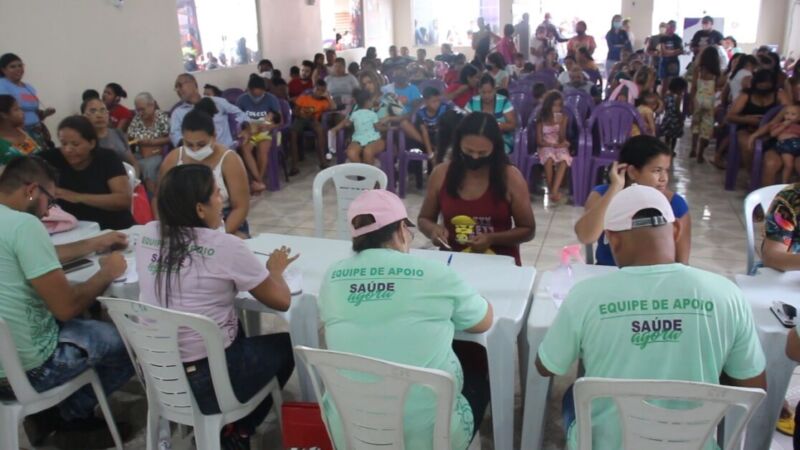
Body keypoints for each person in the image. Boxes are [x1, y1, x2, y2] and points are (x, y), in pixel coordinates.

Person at [540, 183, 766, 450]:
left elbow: (546, 367)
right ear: (677, 229)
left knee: (571, 397)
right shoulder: (727, 294)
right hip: (694, 445)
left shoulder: (585, 296)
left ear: (612, 238)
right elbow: (753, 384)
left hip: (608, 445)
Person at [319, 188, 493, 450]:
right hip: (430, 439)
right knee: (479, 371)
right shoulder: (434, 272)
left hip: (351, 432)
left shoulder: (332, 276)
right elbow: (483, 321)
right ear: (402, 230)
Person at [137, 163, 295, 449]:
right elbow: (281, 301)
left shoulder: (148, 234)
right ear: (200, 209)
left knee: (233, 326)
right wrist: (275, 270)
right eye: (216, 192)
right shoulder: (227, 248)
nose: (222, 196)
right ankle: (238, 431)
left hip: (160, 375)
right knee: (286, 346)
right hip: (209, 383)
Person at [0, 156, 135, 448]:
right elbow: (66, 306)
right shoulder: (24, 225)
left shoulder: (8, 224)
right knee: (126, 343)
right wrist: (107, 272)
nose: (50, 210)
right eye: (50, 200)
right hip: (27, 373)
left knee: (76, 325)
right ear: (32, 190)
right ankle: (65, 418)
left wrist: (94, 242)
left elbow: (36, 254)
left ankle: (50, 416)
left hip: (3, 364)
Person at [418, 113, 535, 265]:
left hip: (500, 263)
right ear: (458, 144)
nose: (474, 157)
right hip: (453, 261)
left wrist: (492, 238)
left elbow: (527, 229)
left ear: (495, 148)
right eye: (468, 151)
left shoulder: (510, 177)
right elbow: (424, 219)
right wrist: (433, 230)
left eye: (482, 153)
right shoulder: (441, 174)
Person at [575, 135, 691, 266]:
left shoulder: (675, 205)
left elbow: (682, 264)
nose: (664, 178)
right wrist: (615, 188)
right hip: (610, 276)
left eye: (666, 171)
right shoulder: (602, 195)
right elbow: (586, 236)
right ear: (632, 172)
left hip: (654, 280)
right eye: (657, 171)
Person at [159, 99, 251, 238]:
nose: (195, 149)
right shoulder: (173, 158)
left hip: (224, 221)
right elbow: (160, 199)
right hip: (183, 223)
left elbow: (241, 207)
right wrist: (165, 228)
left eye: (201, 144)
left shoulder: (230, 160)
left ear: (214, 136)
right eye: (189, 144)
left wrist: (219, 235)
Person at [40, 116, 134, 230]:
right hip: (70, 230)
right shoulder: (50, 159)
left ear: (92, 143)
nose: (68, 150)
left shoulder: (107, 158)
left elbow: (123, 200)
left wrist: (78, 197)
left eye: (75, 144)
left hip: (113, 227)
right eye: (64, 144)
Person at [170, 73, 248, 149]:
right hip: (198, 155)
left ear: (194, 83)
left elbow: (241, 115)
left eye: (180, 85)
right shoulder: (177, 113)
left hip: (226, 151)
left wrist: (244, 128)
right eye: (176, 87)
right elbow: (175, 136)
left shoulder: (217, 102)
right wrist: (194, 146)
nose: (178, 90)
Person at [726, 69, 784, 173]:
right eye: (761, 85)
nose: (764, 89)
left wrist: (771, 121)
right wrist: (748, 119)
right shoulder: (746, 95)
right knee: (747, 144)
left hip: (771, 130)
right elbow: (730, 116)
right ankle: (752, 174)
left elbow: (789, 110)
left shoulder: (779, 94)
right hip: (747, 128)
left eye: (767, 86)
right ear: (756, 83)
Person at [236, 74, 282, 193]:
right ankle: (259, 181)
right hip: (250, 131)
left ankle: (258, 181)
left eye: (261, 94)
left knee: (263, 150)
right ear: (249, 90)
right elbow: (237, 119)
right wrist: (246, 129)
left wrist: (270, 126)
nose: (258, 97)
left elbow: (280, 120)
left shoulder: (271, 99)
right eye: (254, 94)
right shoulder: (242, 100)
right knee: (245, 148)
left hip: (265, 131)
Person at [0, 53, 55, 150]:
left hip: (36, 131)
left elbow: (33, 110)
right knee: (26, 160)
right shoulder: (2, 85)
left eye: (20, 65)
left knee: (39, 158)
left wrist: (45, 113)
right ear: (3, 70)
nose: (18, 69)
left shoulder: (28, 87)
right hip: (18, 133)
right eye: (12, 67)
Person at [81, 97, 140, 176]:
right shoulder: (83, 141)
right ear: (84, 116)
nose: (99, 115)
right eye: (93, 111)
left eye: (103, 110)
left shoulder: (118, 133)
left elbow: (134, 162)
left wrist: (134, 180)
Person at [329, 88, 387, 164]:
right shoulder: (371, 113)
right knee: (352, 152)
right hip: (362, 138)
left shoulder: (356, 114)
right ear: (368, 101)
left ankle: (366, 171)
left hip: (372, 140)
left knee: (367, 152)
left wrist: (348, 124)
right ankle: (364, 171)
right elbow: (378, 127)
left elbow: (347, 123)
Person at [128, 92, 170, 194]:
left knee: (148, 166)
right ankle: (135, 195)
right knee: (128, 164)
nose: (140, 112)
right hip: (140, 152)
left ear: (152, 105)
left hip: (157, 152)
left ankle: (153, 198)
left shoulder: (161, 117)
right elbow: (129, 136)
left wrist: (151, 142)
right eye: (138, 110)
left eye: (142, 109)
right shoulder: (137, 118)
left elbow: (169, 138)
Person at [289, 79, 334, 174]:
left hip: (313, 120)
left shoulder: (323, 102)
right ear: (313, 89)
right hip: (300, 118)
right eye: (317, 89)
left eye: (322, 91)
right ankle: (294, 166)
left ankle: (322, 162)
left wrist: (328, 97)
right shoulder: (304, 98)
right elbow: (294, 111)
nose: (319, 92)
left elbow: (334, 107)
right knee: (293, 133)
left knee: (320, 130)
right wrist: (302, 114)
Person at [690, 46, 726, 163]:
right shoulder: (717, 73)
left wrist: (691, 101)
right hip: (709, 103)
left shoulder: (699, 70)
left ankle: (693, 148)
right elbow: (718, 87)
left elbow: (694, 87)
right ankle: (700, 153)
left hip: (698, 100)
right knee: (706, 128)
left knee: (696, 125)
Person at [464, 75, 516, 154]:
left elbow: (512, 125)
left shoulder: (504, 101)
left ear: (495, 90)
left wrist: (495, 126)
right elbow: (465, 124)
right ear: (479, 90)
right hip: (476, 140)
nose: (487, 96)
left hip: (501, 140)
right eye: (483, 92)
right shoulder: (472, 102)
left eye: (490, 92)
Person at [536, 91, 571, 203]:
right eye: (554, 105)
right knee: (549, 158)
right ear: (548, 105)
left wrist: (561, 125)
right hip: (546, 145)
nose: (557, 108)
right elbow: (539, 141)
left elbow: (561, 138)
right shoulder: (541, 118)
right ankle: (552, 190)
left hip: (559, 145)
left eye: (559, 105)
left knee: (564, 159)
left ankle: (554, 191)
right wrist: (551, 145)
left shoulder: (563, 117)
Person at [0, 95, 40, 165]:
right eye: (16, 109)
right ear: (3, 115)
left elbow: (33, 155)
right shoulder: (2, 143)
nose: (22, 113)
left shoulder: (25, 133)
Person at [414, 87, 453, 161]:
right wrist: (430, 154)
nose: (437, 104)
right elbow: (424, 132)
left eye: (438, 101)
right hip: (430, 139)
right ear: (425, 101)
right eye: (434, 101)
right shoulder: (420, 113)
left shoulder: (445, 108)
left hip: (444, 137)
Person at [769, 104, 800, 183]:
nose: (789, 116)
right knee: (789, 165)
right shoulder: (779, 125)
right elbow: (773, 134)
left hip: (798, 144)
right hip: (786, 145)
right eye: (787, 113)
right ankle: (784, 183)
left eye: (793, 114)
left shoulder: (798, 127)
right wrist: (783, 126)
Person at [661, 77, 688, 151]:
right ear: (678, 88)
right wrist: (681, 119)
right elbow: (677, 110)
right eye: (682, 89)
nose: (682, 92)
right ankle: (672, 150)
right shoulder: (678, 97)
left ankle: (666, 149)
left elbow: (665, 107)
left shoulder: (667, 95)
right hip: (675, 120)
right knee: (674, 137)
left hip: (667, 118)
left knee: (667, 136)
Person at [658, 21, 683, 94]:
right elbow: (663, 52)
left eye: (672, 27)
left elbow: (680, 51)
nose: (670, 29)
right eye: (669, 27)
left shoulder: (678, 38)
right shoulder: (663, 38)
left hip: (674, 62)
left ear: (675, 28)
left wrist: (668, 53)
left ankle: (673, 102)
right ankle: (662, 101)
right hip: (664, 62)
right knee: (664, 83)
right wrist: (674, 52)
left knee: (674, 83)